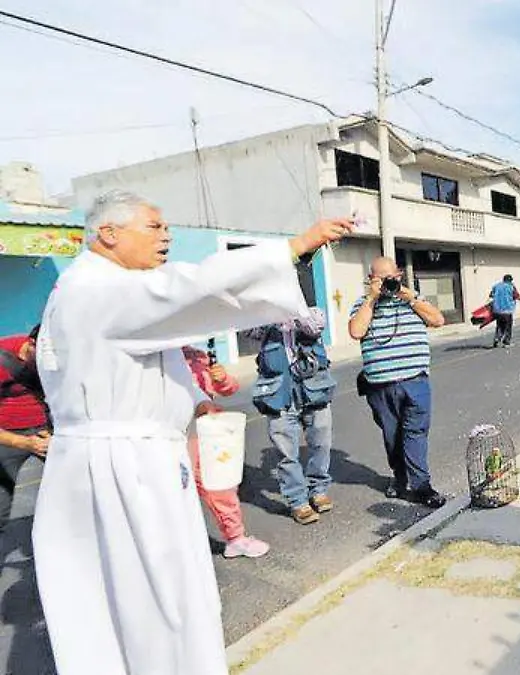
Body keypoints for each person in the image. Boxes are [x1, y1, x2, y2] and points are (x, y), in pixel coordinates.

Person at [32, 188, 350, 675]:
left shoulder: (89, 288)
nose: (167, 235)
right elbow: (189, 288)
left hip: (115, 458)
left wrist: (196, 398)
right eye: (155, 226)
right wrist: (292, 248)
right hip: (126, 470)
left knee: (127, 600)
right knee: (155, 601)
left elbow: (148, 353)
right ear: (109, 234)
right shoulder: (99, 289)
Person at [349, 257, 449, 509]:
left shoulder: (413, 301)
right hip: (380, 386)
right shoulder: (363, 304)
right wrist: (372, 298)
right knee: (392, 436)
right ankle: (400, 476)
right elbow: (356, 331)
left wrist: (409, 296)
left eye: (390, 277)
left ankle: (422, 486)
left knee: (415, 434)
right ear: (370, 280)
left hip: (415, 381)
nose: (386, 283)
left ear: (399, 274)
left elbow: (438, 320)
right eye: (380, 279)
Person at [248, 308, 336, 525]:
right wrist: (271, 316)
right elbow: (249, 332)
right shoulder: (262, 316)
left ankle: (318, 489)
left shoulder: (311, 311)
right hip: (278, 392)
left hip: (314, 388)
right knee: (286, 451)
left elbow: (315, 326)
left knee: (322, 443)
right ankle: (298, 501)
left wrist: (294, 314)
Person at [180, 345, 270, 557]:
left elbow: (228, 388)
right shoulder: (154, 354)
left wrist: (221, 379)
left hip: (203, 431)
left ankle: (235, 538)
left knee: (219, 485)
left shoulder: (198, 355)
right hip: (170, 434)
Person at [0, 324, 49, 542]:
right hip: (8, 437)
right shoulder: (4, 358)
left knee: (73, 493)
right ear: (30, 344)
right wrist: (25, 443)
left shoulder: (52, 356)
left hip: (47, 432)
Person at [488, 273, 520, 349]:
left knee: (499, 326)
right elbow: (517, 297)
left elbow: (491, 295)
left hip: (497, 310)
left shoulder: (496, 286)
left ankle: (497, 339)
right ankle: (506, 342)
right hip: (507, 310)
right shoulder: (511, 287)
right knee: (507, 327)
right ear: (510, 280)